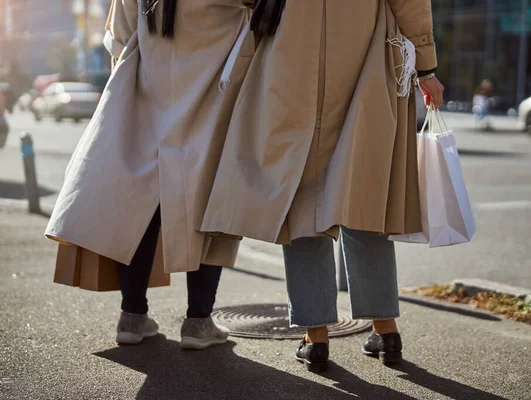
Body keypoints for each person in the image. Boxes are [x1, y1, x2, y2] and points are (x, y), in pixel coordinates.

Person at [200, 0, 444, 371]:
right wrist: (425, 66)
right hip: (367, 58)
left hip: (289, 56)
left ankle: (316, 338)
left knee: (299, 197)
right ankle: (386, 330)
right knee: (363, 194)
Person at [45, 0, 254, 349]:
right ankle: (198, 322)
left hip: (149, 98)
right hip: (212, 99)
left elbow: (119, 39)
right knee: (208, 208)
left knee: (141, 208)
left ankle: (132, 315)